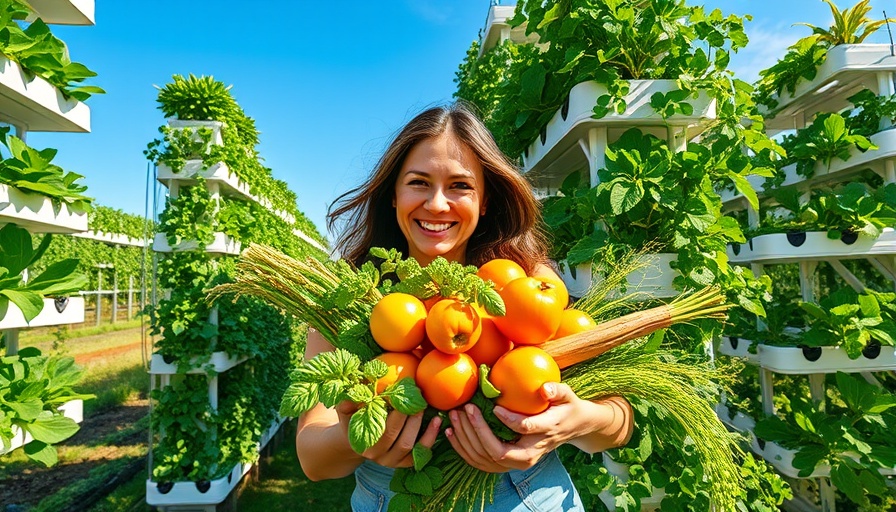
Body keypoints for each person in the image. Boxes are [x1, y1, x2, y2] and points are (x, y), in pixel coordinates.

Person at [295, 102, 634, 511]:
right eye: (419, 182)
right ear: (393, 194)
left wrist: (575, 422)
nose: (438, 204)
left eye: (460, 186)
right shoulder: (351, 296)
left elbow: (618, 422)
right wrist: (360, 437)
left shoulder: (524, 281)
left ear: (486, 200)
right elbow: (312, 459)